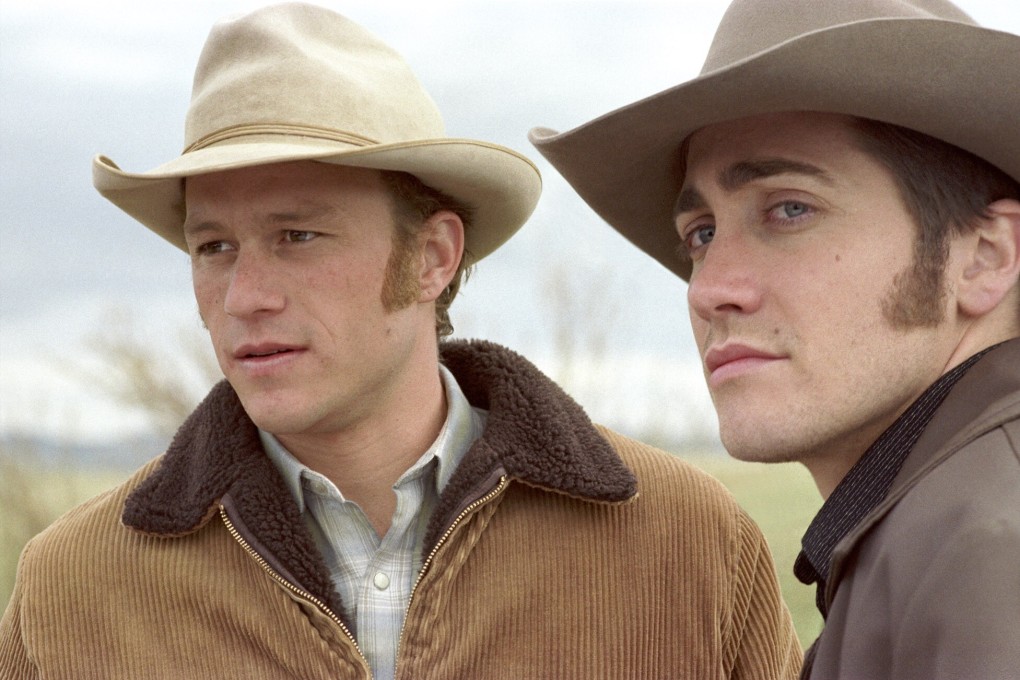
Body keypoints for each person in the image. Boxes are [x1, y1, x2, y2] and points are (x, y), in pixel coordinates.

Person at [0, 4, 802, 678]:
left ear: (432, 258)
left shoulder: (687, 545)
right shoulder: (71, 590)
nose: (244, 297)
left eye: (298, 236)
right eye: (213, 247)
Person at [530, 0, 1020, 678]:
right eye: (701, 234)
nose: (708, 290)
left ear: (986, 258)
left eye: (790, 209)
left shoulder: (988, 551)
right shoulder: (925, 532)